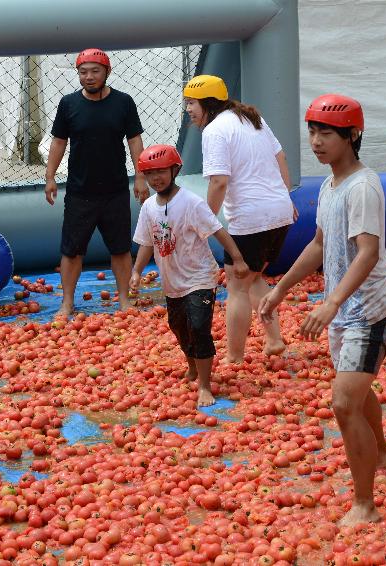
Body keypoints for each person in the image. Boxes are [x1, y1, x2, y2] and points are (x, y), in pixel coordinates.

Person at [260, 94, 386, 527]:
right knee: (356, 392)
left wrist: (332, 301)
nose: (317, 141)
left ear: (352, 135)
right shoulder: (329, 185)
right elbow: (320, 245)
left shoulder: (362, 186)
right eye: (313, 132)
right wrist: (279, 289)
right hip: (346, 313)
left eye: (327, 133)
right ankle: (379, 451)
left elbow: (366, 252)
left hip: (370, 312)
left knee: (343, 404)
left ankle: (365, 505)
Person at [183, 75, 294, 364]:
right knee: (252, 278)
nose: (188, 110)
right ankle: (274, 340)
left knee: (236, 287)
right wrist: (286, 196)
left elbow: (219, 181)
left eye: (191, 103)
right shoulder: (251, 118)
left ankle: (233, 357)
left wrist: (204, 222)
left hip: (252, 217)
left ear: (207, 102)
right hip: (280, 213)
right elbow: (280, 156)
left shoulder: (215, 130)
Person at [130, 144, 249, 407]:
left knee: (198, 327)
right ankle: (192, 365)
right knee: (179, 328)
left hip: (200, 277)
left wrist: (238, 259)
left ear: (175, 170)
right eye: (150, 174)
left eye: (161, 171)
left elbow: (217, 230)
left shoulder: (191, 203)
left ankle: (205, 385)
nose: (156, 178)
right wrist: (136, 271)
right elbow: (147, 242)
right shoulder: (149, 207)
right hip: (172, 281)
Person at [45, 48, 147, 317]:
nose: (89, 77)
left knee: (121, 248)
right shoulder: (68, 104)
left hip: (115, 190)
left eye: (95, 71)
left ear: (107, 72)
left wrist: (140, 176)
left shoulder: (124, 102)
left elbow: (134, 139)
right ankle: (67, 302)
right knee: (71, 250)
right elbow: (58, 141)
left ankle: (124, 300)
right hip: (80, 192)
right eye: (83, 72)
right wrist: (50, 177)